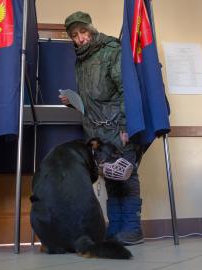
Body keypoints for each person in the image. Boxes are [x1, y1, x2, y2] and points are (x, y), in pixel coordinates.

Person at [60, 11, 144, 245]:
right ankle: (116, 228)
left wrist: (127, 125)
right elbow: (94, 99)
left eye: (83, 32)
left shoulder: (111, 51)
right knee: (110, 177)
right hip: (96, 131)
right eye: (74, 35)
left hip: (117, 125)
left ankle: (133, 227)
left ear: (91, 29)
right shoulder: (81, 60)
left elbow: (126, 89)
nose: (80, 38)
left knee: (126, 174)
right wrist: (74, 103)